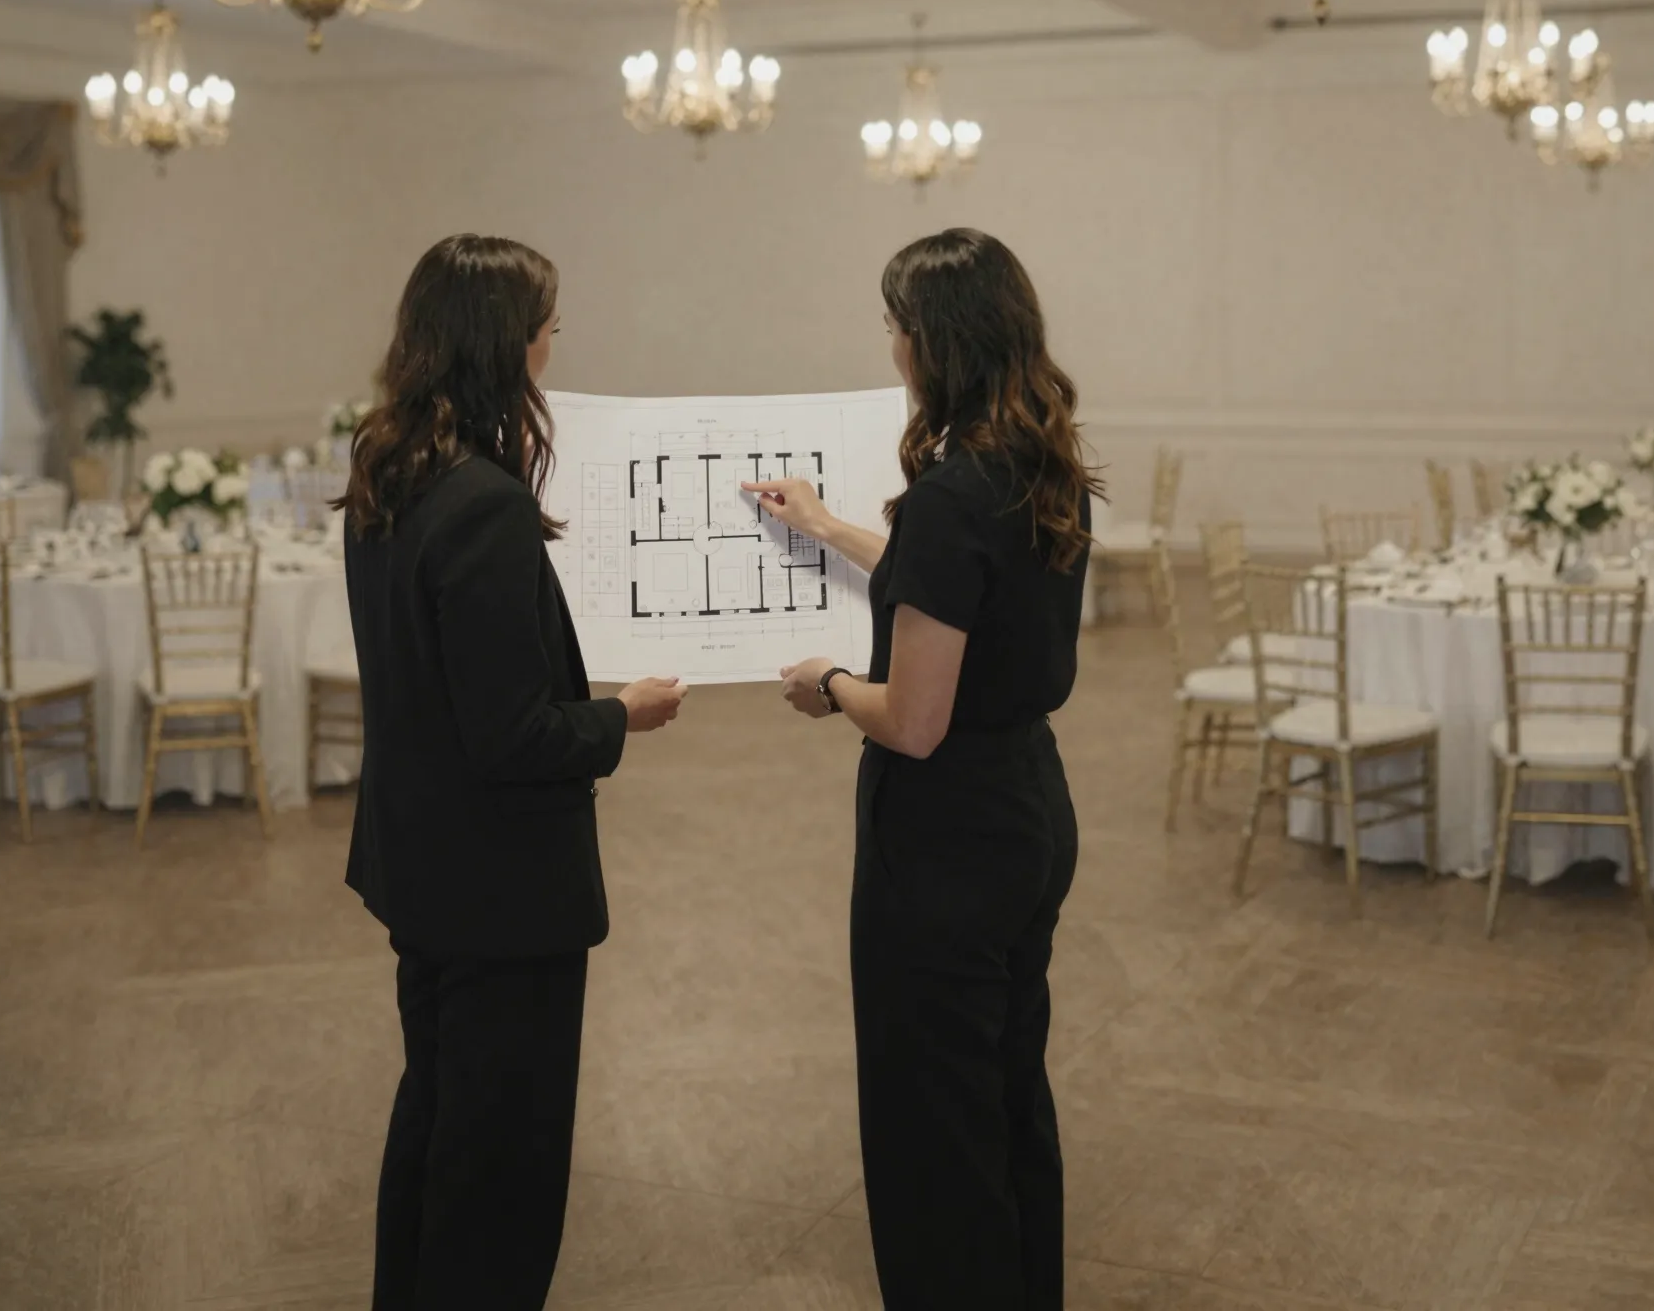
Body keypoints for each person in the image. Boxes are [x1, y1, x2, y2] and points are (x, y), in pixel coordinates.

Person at [746, 228, 1100, 1311]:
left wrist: (827, 683)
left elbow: (911, 721)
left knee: (931, 1130)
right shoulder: (1038, 465)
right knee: (1003, 1093)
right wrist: (824, 526)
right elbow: (947, 587)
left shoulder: (950, 496)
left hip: (945, 839)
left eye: (896, 327)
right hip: (1026, 809)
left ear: (934, 343)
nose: (891, 347)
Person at [338, 233, 689, 1310]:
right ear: (505, 344)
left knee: (438, 1120)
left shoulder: (388, 468)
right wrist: (622, 714)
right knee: (501, 1171)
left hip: (423, 864)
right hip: (500, 889)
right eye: (546, 326)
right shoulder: (482, 501)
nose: (553, 344)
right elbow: (514, 737)